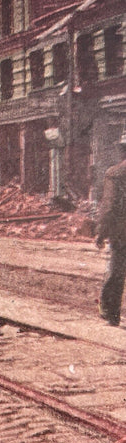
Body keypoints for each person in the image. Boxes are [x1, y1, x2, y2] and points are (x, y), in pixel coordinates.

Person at [96, 136, 126, 326]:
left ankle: (110, 312)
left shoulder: (116, 173)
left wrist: (101, 232)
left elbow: (109, 206)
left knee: (116, 271)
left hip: (122, 233)